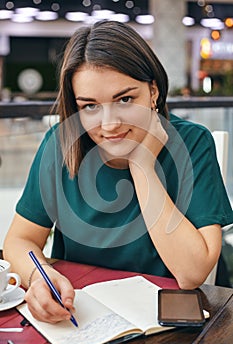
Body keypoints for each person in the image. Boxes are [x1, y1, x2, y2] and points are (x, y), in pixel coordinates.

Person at [3, 20, 233, 324]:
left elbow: (192, 274)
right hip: (82, 317)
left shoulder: (192, 143)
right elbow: (19, 240)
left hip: (165, 324)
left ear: (153, 91)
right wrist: (39, 275)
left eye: (125, 99)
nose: (109, 125)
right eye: (90, 106)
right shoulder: (61, 143)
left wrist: (142, 165)